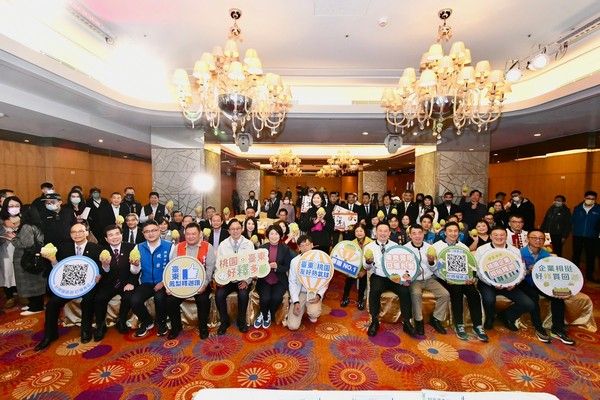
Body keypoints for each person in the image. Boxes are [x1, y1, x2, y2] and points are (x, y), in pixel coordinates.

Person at [35, 222, 102, 351]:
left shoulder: (96, 248)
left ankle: (86, 330)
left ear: (87, 233)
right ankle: (50, 335)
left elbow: (101, 268)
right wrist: (53, 260)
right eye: (74, 232)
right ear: (70, 235)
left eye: (80, 231)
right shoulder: (63, 248)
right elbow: (59, 269)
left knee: (88, 300)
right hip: (68, 286)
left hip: (89, 285)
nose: (77, 234)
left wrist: (100, 275)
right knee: (52, 303)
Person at [432, 222, 488, 342]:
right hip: (444, 279)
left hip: (463, 279)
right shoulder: (437, 246)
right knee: (456, 291)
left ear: (459, 233)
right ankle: (459, 324)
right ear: (445, 232)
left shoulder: (463, 247)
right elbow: (434, 267)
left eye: (455, 231)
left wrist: (471, 277)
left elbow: (470, 266)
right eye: (450, 231)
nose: (453, 233)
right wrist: (445, 277)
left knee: (474, 293)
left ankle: (478, 326)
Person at [519, 229, 575, 345]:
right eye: (534, 238)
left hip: (542, 283)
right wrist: (528, 271)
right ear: (527, 239)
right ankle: (539, 328)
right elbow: (516, 273)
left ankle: (558, 329)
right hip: (525, 283)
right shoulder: (519, 253)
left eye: (541, 238)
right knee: (533, 297)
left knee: (557, 297)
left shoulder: (547, 255)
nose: (538, 240)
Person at [475, 227, 535, 332]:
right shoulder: (482, 249)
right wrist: (492, 283)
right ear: (490, 236)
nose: (499, 237)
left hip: (509, 283)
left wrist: (515, 283)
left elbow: (522, 270)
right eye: (495, 235)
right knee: (489, 300)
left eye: (502, 235)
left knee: (528, 304)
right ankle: (490, 318)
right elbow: (478, 271)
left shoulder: (515, 250)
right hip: (487, 283)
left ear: (506, 236)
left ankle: (507, 316)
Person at [363, 222, 416, 337]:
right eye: (380, 231)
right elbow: (366, 267)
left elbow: (401, 264)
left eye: (385, 231)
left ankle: (407, 322)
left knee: (405, 291)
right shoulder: (369, 247)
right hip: (378, 276)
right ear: (376, 232)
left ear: (389, 233)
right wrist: (368, 261)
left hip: (393, 277)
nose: (383, 233)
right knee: (374, 291)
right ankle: (374, 321)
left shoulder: (395, 246)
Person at [166, 223, 215, 340]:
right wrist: (169, 286)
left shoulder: (208, 247)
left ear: (200, 234)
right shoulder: (178, 247)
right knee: (171, 300)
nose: (190, 236)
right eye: (188, 234)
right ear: (184, 234)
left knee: (203, 300)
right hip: (182, 284)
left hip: (201, 284)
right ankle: (176, 327)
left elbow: (210, 269)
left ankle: (203, 327)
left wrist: (204, 284)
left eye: (194, 234)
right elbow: (172, 267)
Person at [129, 220, 175, 337]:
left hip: (163, 282)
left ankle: (161, 323)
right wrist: (135, 265)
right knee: (134, 300)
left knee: (159, 298)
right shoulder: (138, 247)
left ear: (159, 230)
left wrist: (164, 282)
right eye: (147, 231)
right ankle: (147, 321)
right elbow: (134, 271)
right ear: (143, 234)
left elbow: (174, 268)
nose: (151, 234)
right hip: (146, 282)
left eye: (154, 230)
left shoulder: (170, 246)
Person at [93, 225, 138, 340]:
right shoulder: (101, 250)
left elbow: (137, 267)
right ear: (106, 238)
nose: (114, 237)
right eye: (111, 235)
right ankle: (100, 325)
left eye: (117, 234)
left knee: (128, 297)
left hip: (126, 282)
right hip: (109, 283)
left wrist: (131, 282)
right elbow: (102, 271)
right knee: (99, 298)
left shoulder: (132, 247)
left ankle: (121, 321)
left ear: (122, 235)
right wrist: (105, 265)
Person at [405, 224, 449, 335]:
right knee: (416, 294)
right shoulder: (405, 249)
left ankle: (436, 319)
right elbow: (403, 268)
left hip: (429, 278)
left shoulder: (430, 248)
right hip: (415, 280)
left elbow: (435, 268)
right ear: (410, 235)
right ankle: (418, 321)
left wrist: (431, 261)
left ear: (423, 234)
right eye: (414, 233)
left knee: (445, 294)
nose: (417, 236)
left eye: (419, 233)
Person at [2, 207, 46, 315]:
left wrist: (13, 239)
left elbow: (26, 244)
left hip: (26, 258)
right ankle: (33, 305)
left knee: (31, 283)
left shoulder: (27, 226)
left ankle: (36, 307)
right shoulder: (36, 224)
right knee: (34, 282)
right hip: (32, 257)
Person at [215, 219, 254, 335]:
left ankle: (241, 321)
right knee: (219, 295)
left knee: (243, 294)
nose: (235, 231)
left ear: (241, 229)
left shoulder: (249, 244)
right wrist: (220, 279)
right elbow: (218, 265)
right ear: (228, 231)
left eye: (238, 228)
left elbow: (252, 265)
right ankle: (224, 321)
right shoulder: (223, 245)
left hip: (243, 279)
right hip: (227, 279)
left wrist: (247, 281)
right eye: (232, 229)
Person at [254, 225, 294, 329]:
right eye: (271, 233)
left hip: (279, 279)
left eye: (276, 234)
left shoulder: (285, 249)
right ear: (268, 235)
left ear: (280, 235)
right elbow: (256, 265)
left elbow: (287, 266)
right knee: (265, 298)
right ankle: (264, 314)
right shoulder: (262, 248)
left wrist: (277, 267)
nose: (274, 236)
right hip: (264, 279)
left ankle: (266, 312)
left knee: (276, 298)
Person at [288, 235, 329, 330]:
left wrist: (319, 295)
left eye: (307, 244)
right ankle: (301, 308)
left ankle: (311, 312)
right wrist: (295, 301)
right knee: (292, 326)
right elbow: (292, 282)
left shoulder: (321, 260)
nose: (305, 248)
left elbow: (325, 280)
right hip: (300, 293)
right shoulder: (295, 261)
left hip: (314, 292)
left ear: (312, 245)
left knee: (314, 313)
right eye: (302, 246)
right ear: (298, 248)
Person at [571, 191, 600, 282]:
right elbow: (573, 221)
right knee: (576, 255)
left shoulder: (598, 209)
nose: (590, 200)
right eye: (588, 198)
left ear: (595, 200)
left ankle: (589, 275)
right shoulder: (577, 208)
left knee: (590, 256)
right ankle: (574, 273)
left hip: (591, 236)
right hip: (577, 235)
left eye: (592, 199)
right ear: (584, 198)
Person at [341, 225, 371, 310]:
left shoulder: (371, 242)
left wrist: (364, 271)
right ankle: (345, 297)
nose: (359, 233)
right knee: (348, 281)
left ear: (365, 232)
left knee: (363, 283)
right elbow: (348, 258)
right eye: (357, 231)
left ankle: (360, 300)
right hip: (354, 268)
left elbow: (372, 260)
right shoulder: (352, 243)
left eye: (361, 231)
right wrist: (349, 270)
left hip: (365, 268)